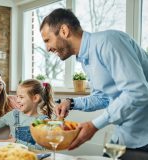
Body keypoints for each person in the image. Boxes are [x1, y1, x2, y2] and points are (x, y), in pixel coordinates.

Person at [40, 8, 148, 158]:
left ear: (64, 30)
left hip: (143, 140)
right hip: (120, 137)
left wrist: (94, 125)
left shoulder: (109, 42)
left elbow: (138, 92)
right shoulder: (86, 59)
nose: (47, 48)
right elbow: (103, 97)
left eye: (47, 40)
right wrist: (70, 102)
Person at [0, 79, 54, 149]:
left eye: (21, 97)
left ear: (35, 98)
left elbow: (41, 149)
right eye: (17, 96)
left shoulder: (43, 122)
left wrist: (15, 142)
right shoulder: (13, 115)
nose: (18, 100)